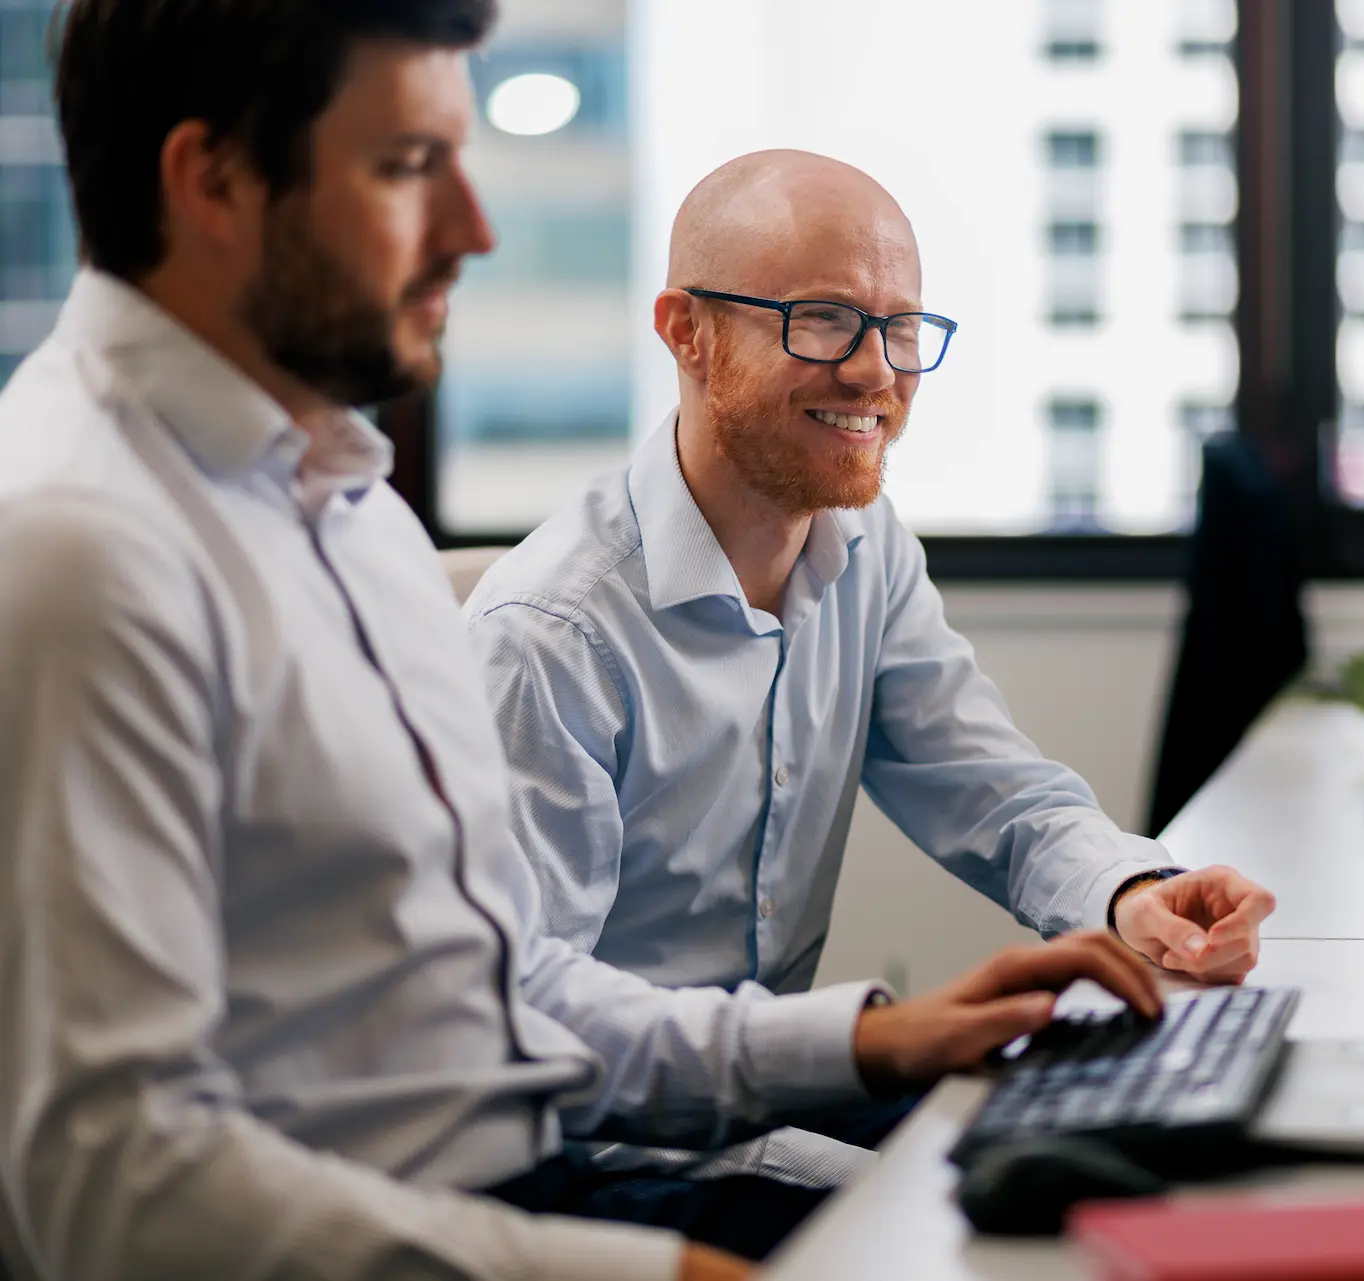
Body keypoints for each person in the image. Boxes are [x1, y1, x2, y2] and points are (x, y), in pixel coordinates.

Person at [0, 5, 1167, 1280]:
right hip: (490, 1211)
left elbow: (498, 993)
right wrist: (625, 1269)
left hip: (526, 1174)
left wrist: (871, 1040)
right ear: (212, 181)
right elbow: (107, 1189)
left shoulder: (353, 519)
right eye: (407, 168)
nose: (476, 230)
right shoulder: (77, 551)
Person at [464, 151, 1279, 1010]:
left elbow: (991, 789)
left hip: (781, 1092)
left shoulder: (862, 547)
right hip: (631, 1138)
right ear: (685, 331)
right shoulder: (550, 638)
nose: (876, 372)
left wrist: (1131, 892)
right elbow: (531, 1026)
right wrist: (861, 1048)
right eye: (821, 319)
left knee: (1124, 1124)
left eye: (900, 327)